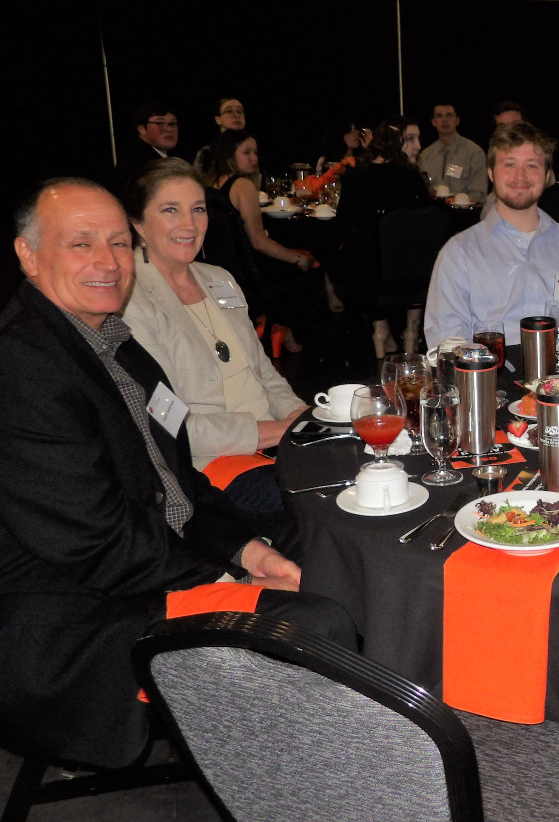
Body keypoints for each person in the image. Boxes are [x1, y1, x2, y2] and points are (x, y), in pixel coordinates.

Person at [0, 178, 354, 768]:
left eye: (116, 243)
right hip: (74, 619)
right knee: (317, 621)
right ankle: (308, 786)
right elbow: (97, 544)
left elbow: (179, 483)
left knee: (329, 546)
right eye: (80, 244)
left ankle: (330, 751)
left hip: (142, 564)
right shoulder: (23, 370)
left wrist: (246, 549)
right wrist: (223, 580)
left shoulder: (114, 343)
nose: (107, 263)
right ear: (28, 255)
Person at [121, 160, 307, 512]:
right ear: (138, 224)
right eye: (170, 210)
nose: (189, 224)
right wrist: (276, 432)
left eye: (198, 209)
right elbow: (169, 424)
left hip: (272, 442)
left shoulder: (218, 278)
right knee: (316, 505)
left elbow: (264, 374)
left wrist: (304, 419)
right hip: (206, 461)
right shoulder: (128, 301)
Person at [423, 121, 559, 348]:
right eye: (509, 164)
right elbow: (448, 342)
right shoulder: (459, 253)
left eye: (531, 165)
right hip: (491, 377)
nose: (520, 176)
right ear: (490, 172)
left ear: (547, 175)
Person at [208, 129, 319, 353]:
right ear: (229, 155)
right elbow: (258, 242)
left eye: (255, 152)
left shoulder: (210, 185)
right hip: (250, 274)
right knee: (313, 267)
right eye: (246, 152)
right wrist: (298, 259)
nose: (254, 158)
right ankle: (294, 337)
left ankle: (274, 327)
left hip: (224, 271)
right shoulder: (243, 186)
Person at [335, 116, 433, 355]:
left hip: (368, 281)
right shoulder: (412, 178)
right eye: (410, 139)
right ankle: (411, 331)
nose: (418, 146)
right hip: (414, 280)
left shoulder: (355, 176)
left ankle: (380, 330)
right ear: (392, 140)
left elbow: (342, 227)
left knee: (362, 253)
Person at [418, 101, 487, 202]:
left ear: (457, 120)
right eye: (439, 116)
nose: (444, 120)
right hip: (431, 213)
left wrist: (457, 202)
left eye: (449, 115)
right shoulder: (425, 156)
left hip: (463, 214)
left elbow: (479, 194)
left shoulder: (474, 152)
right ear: (433, 122)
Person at [112, 101, 180, 194]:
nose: (169, 129)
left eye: (173, 123)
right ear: (142, 129)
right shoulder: (141, 162)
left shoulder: (149, 156)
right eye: (160, 123)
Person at [191, 97, 247, 178]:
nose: (236, 115)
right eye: (229, 111)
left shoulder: (253, 150)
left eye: (239, 111)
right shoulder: (208, 152)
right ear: (218, 119)